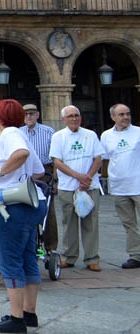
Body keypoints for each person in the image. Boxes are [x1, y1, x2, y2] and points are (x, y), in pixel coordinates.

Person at [0, 99, 41, 333]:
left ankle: (16, 318)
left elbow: (22, 153)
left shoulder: (8, 134)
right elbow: (37, 170)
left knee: (9, 261)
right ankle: (29, 313)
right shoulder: (20, 133)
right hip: (29, 203)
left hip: (9, 206)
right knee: (28, 258)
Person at [51, 104, 103, 272]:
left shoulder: (90, 135)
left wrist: (87, 177)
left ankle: (92, 258)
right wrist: (77, 176)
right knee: (69, 222)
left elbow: (98, 158)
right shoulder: (58, 136)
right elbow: (57, 162)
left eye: (76, 115)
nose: (74, 118)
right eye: (70, 116)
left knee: (91, 222)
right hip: (68, 187)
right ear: (63, 119)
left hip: (89, 186)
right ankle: (69, 256)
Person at [101, 103, 140, 269]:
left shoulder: (138, 132)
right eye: (121, 114)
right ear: (113, 117)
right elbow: (105, 159)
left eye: (128, 114)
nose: (125, 117)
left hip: (138, 183)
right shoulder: (106, 136)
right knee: (129, 223)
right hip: (119, 186)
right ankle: (136, 254)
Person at [21, 103, 56, 253]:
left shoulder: (48, 131)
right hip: (24, 173)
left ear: (38, 115)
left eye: (32, 113)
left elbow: (55, 158)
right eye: (26, 114)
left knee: (48, 212)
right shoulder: (18, 132)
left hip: (45, 173)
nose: (29, 116)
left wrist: (55, 180)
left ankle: (50, 247)